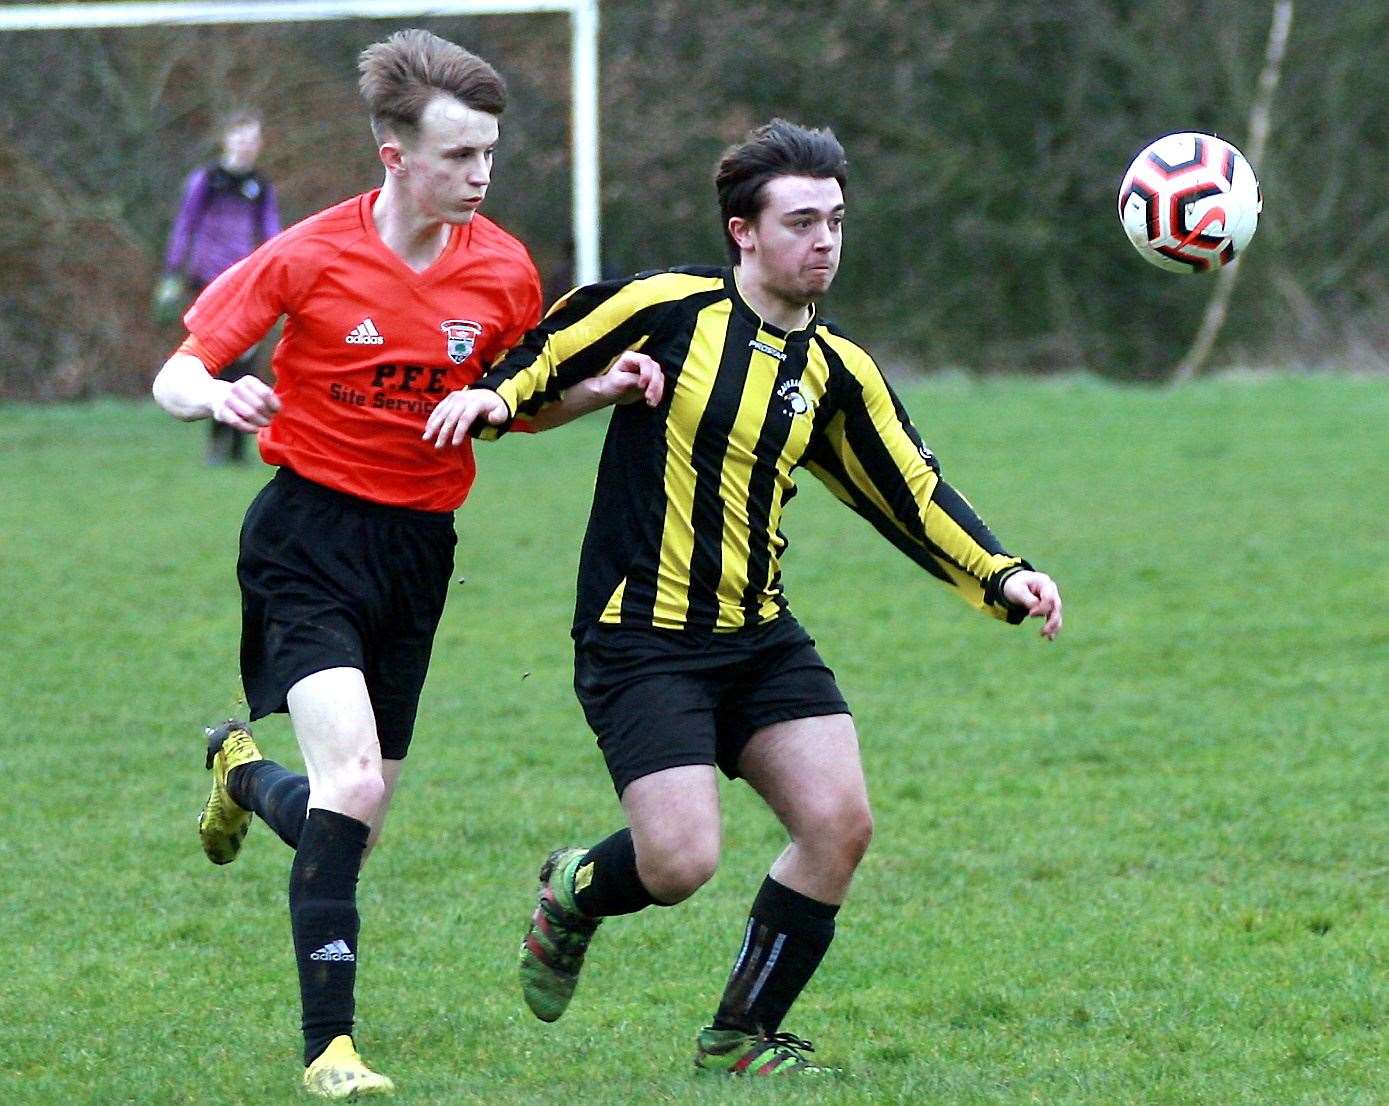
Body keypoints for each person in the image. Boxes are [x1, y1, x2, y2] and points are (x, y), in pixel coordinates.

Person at [424, 118, 1064, 1076]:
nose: (824, 242)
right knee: (679, 863)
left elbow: (910, 491)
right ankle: (572, 890)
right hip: (640, 637)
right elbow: (546, 350)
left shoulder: (838, 369)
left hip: (758, 637)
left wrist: (1002, 573)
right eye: (801, 221)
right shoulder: (666, 308)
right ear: (743, 231)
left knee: (839, 824)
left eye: (836, 222)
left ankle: (738, 1038)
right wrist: (496, 398)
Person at [151, 29, 661, 1099]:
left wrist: (593, 392)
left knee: (362, 801)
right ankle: (328, 1049)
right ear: (395, 155)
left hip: (419, 551)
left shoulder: (508, 271)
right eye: (457, 156)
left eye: (489, 155)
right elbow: (177, 371)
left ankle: (242, 768)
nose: (479, 175)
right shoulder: (310, 254)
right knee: (349, 782)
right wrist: (219, 394)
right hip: (307, 537)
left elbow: (512, 410)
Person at [156, 110, 281, 464]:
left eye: (253, 140)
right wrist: (172, 272)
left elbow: (273, 234)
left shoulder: (261, 187)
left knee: (248, 361)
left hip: (246, 284)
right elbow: (185, 225)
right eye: (241, 138)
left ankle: (239, 449)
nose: (247, 147)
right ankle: (215, 445)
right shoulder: (207, 181)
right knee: (218, 361)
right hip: (210, 282)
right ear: (227, 140)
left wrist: (280, 272)